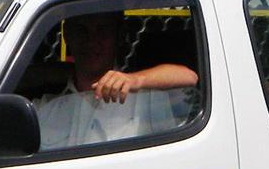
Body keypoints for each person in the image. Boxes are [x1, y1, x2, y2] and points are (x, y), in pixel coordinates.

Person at [32, 12, 199, 149]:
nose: (91, 41)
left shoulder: (145, 100)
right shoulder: (45, 108)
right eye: (81, 30)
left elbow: (190, 78)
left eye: (102, 30)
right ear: (68, 36)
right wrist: (54, 72)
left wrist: (134, 80)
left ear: (119, 36)